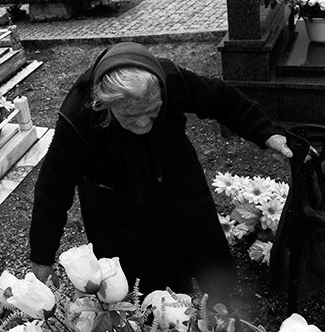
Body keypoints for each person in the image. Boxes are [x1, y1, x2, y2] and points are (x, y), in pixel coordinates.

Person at [29, 42, 292, 302]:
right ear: (104, 105)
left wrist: (265, 132)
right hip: (118, 201)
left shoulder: (169, 80)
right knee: (143, 283)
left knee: (207, 254)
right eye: (130, 116)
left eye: (152, 112)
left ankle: (222, 306)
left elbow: (222, 99)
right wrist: (42, 257)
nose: (143, 123)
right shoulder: (80, 114)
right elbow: (52, 190)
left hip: (177, 174)